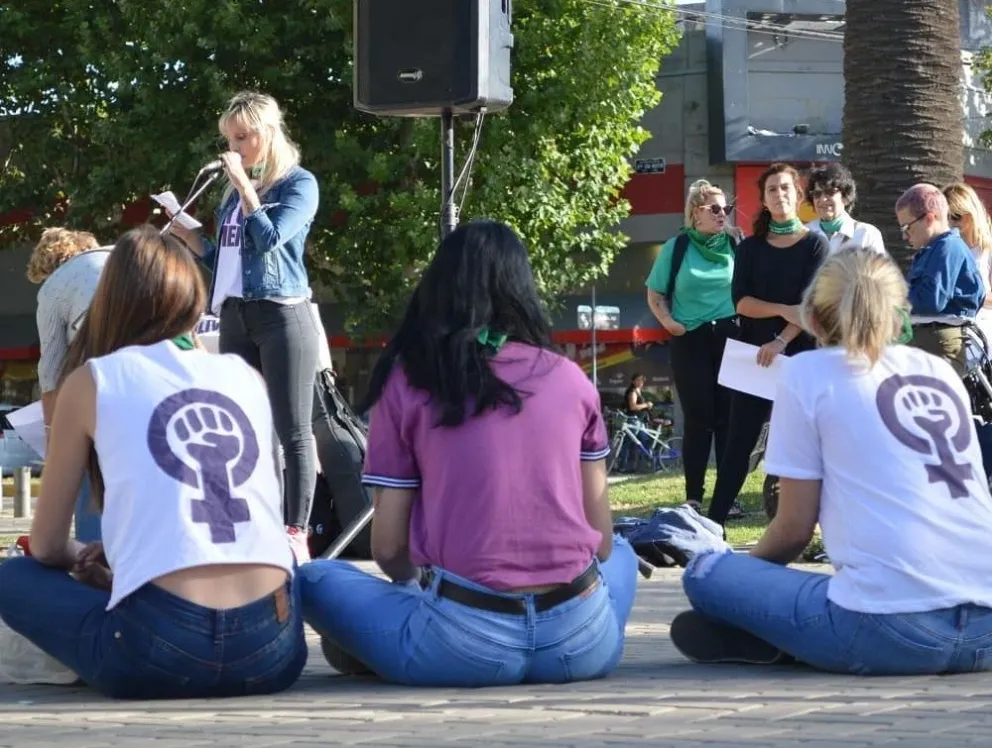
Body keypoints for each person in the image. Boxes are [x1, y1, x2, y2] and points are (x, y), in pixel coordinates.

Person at [298, 220, 638, 687]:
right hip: (579, 644)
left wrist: (418, 588)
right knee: (621, 551)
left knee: (316, 579)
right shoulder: (571, 378)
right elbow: (599, 541)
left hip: (462, 644)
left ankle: (381, 640)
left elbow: (390, 550)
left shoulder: (411, 382)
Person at [0, 226, 306, 699]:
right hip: (273, 649)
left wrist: (89, 557)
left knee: (13, 576)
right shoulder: (244, 376)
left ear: (111, 301)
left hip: (158, 651)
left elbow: (44, 547)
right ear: (193, 297)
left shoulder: (92, 381)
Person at [670, 246, 992, 675]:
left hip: (891, 629)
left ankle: (777, 634)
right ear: (898, 315)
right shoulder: (940, 373)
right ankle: (788, 636)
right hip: (985, 631)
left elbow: (792, 531)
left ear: (815, 319)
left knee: (705, 573)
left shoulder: (808, 374)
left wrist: (743, 589)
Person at [168, 91, 322, 564]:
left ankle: (296, 530)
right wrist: (190, 236)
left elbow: (271, 241)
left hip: (281, 314)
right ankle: (246, 522)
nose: (234, 147)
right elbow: (228, 261)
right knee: (240, 425)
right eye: (228, 139)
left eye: (242, 137)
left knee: (292, 427)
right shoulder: (231, 196)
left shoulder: (298, 185)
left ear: (268, 133)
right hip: (235, 312)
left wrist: (245, 189)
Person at [707, 163, 828, 526]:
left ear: (799, 194)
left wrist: (780, 338)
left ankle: (800, 523)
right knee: (738, 446)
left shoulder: (815, 244)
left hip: (800, 355)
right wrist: (781, 310)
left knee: (803, 444)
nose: (780, 194)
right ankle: (714, 525)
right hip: (754, 358)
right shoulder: (751, 248)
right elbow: (741, 302)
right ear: (763, 198)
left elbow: (811, 307)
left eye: (786, 188)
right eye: (772, 189)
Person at [646, 179, 738, 511]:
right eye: (714, 209)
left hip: (730, 335)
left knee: (729, 418)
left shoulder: (735, 244)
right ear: (695, 213)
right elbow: (655, 294)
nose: (722, 214)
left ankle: (728, 497)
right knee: (699, 418)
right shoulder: (677, 247)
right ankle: (694, 497)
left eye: (726, 208)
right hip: (690, 339)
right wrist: (670, 324)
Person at [26, 227, 113, 542]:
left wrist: (54, 438)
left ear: (47, 264)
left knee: (84, 462)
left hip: (103, 386)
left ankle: (92, 554)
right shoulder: (127, 258)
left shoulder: (55, 286)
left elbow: (51, 372)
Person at [896, 183, 984, 375]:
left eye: (907, 227)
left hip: (940, 343)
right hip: (928, 340)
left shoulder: (948, 248)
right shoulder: (934, 250)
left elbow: (931, 301)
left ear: (929, 218)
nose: (904, 236)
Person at [944, 182, 992, 343]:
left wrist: (973, 296)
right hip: (950, 326)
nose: (951, 222)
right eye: (946, 217)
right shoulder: (944, 248)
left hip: (983, 326)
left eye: (955, 216)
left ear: (970, 215)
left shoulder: (986, 249)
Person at [804, 162, 886, 255]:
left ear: (845, 197)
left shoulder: (866, 234)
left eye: (830, 192)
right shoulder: (803, 236)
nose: (823, 199)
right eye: (817, 194)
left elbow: (878, 269)